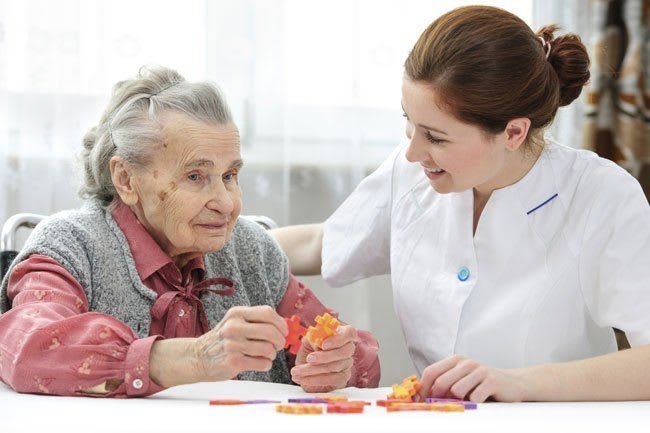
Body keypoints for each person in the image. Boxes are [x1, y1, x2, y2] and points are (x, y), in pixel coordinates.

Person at [271, 5, 650, 402]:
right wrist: (220, 235)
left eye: (435, 137)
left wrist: (521, 384)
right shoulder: (414, 172)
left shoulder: (600, 195)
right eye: (409, 123)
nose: (414, 152)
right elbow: (322, 243)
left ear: (514, 132)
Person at [0, 66, 379, 397]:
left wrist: (336, 363)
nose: (226, 203)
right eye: (196, 177)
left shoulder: (253, 251)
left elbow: (354, 356)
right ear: (126, 178)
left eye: (230, 175)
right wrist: (196, 357)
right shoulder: (70, 245)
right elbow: (27, 345)